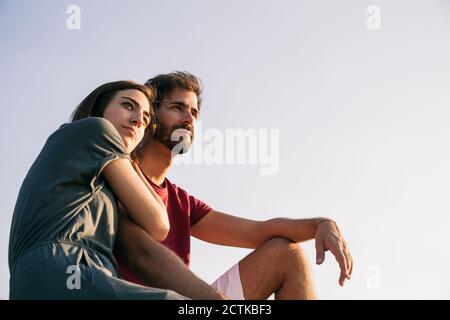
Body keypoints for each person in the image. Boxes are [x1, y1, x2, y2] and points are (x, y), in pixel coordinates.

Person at [114, 72, 353, 300]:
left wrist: (320, 224)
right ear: (150, 116)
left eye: (194, 113)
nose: (188, 119)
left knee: (286, 254)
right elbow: (140, 254)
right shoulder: (118, 173)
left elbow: (257, 232)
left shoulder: (182, 202)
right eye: (177, 108)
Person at [8, 80, 186, 299]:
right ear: (100, 108)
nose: (139, 120)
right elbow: (159, 224)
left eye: (146, 118)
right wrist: (131, 160)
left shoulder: (87, 167)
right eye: (128, 106)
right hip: (68, 266)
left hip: (45, 275)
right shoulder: (95, 129)